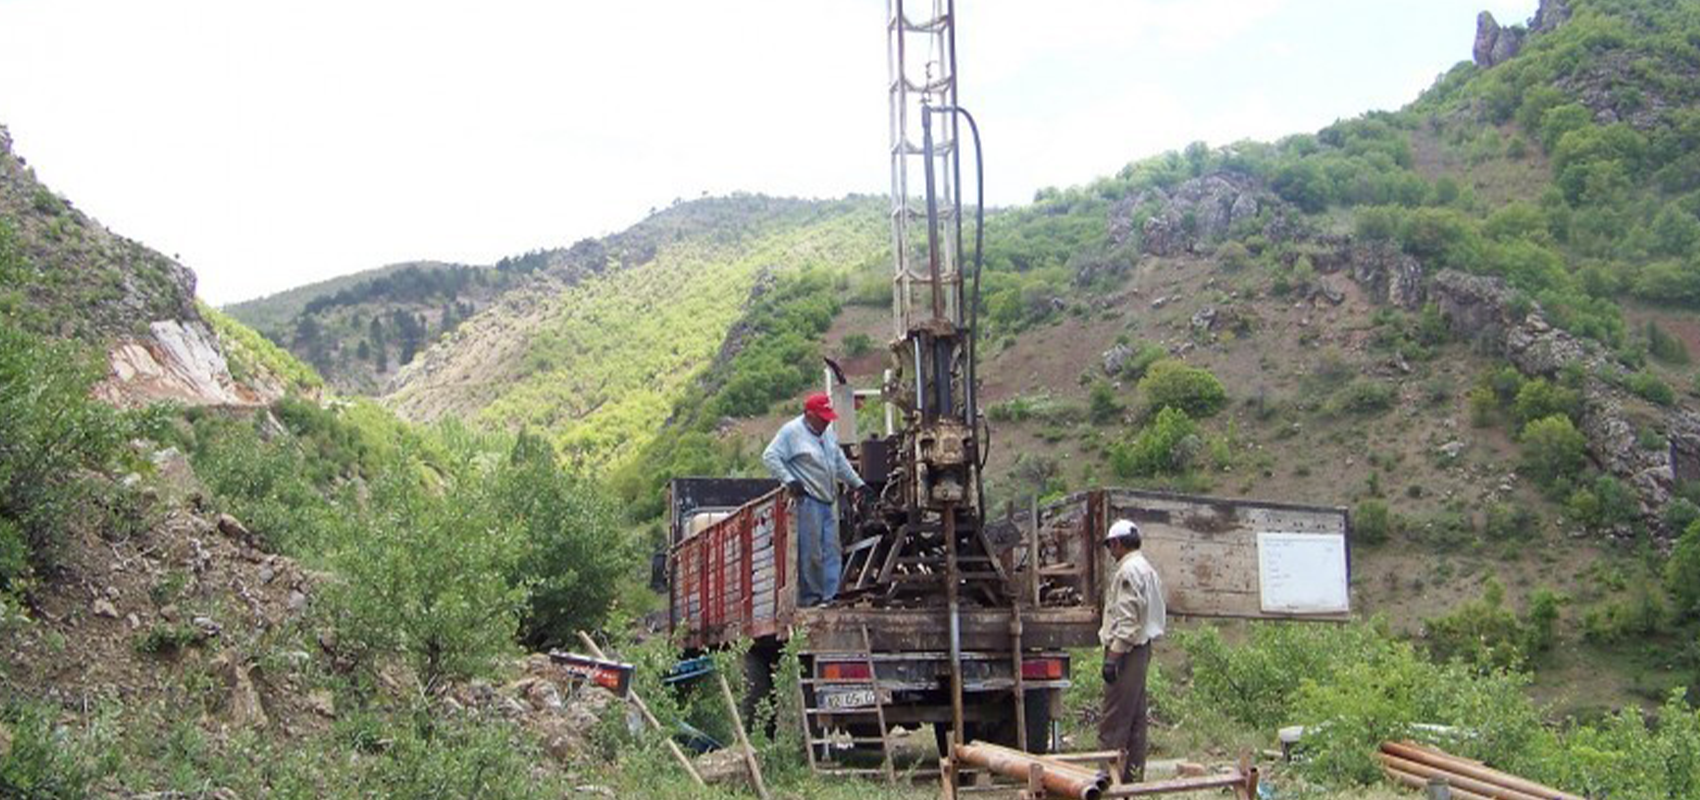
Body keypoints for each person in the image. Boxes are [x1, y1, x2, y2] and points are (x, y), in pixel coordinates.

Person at [762, 392, 867, 607]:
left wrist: (859, 484)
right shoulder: (791, 432)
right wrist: (790, 480)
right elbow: (770, 456)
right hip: (808, 499)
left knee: (832, 550)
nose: (827, 422)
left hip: (828, 500)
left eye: (828, 418)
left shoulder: (827, 434)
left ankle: (830, 597)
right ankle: (812, 598)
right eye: (822, 418)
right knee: (812, 552)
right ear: (809, 414)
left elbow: (839, 462)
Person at [1097, 518, 1166, 783]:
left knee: (1113, 719)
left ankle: (1106, 779)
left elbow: (1127, 621)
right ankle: (1132, 777)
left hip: (1126, 651)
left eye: (1110, 545)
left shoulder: (1127, 572)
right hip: (1142, 649)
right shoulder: (1146, 568)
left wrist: (1113, 658)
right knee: (1135, 718)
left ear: (1117, 543)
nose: (1110, 551)